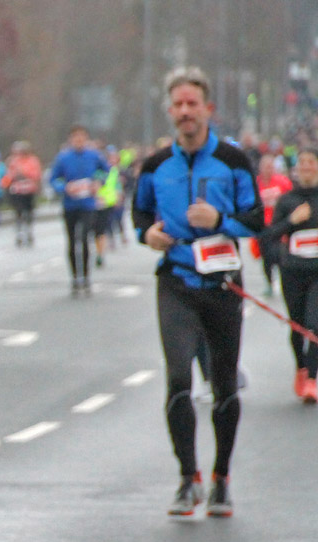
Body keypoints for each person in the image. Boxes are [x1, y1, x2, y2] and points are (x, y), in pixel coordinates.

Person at [132, 66, 262, 518]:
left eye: (193, 104)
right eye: (178, 105)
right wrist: (148, 237)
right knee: (177, 379)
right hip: (177, 281)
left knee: (224, 384)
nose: (186, 112)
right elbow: (139, 220)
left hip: (222, 283)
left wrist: (219, 222)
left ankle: (221, 478)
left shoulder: (232, 161)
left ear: (208, 109)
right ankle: (188, 478)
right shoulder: (154, 166)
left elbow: (257, 220)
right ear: (170, 112)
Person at [262, 147, 318, 403]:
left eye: (311, 163)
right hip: (293, 272)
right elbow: (269, 236)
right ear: (296, 169)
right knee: (297, 326)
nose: (306, 167)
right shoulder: (287, 201)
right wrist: (292, 221)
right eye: (302, 163)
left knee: (315, 324)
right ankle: (301, 368)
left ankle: (312, 377)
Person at [50, 125, 109, 295]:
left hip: (88, 204)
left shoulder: (94, 155)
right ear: (70, 140)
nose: (79, 141)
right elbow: (54, 179)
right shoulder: (63, 158)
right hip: (70, 205)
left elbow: (105, 171)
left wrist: (98, 182)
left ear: (86, 139)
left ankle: (86, 276)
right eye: (76, 138)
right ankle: (75, 277)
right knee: (71, 241)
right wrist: (64, 187)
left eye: (82, 138)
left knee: (84, 238)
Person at [254, 154, 293, 296]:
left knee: (280, 256)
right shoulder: (256, 184)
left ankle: (285, 283)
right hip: (263, 228)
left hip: (280, 226)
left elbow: (291, 199)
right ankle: (269, 282)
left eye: (270, 167)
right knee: (266, 258)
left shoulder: (283, 182)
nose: (268, 169)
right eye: (265, 167)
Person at [3, 140, 41, 247]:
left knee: (29, 211)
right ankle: (19, 232)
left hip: (29, 190)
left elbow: (36, 174)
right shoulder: (13, 161)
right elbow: (9, 176)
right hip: (17, 190)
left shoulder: (33, 160)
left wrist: (24, 172)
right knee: (18, 211)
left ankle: (29, 230)